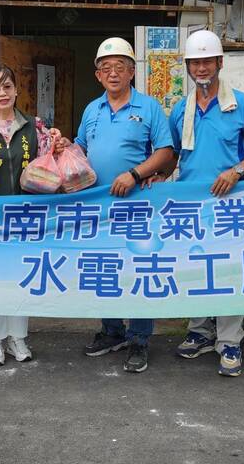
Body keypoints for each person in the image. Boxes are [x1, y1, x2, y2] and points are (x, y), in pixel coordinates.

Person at [168, 30, 244, 377]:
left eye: (206, 61)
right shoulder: (181, 109)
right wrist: (154, 180)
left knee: (229, 272)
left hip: (229, 206)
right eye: (194, 62)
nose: (201, 68)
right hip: (191, 208)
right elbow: (171, 156)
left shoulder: (239, 103)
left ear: (219, 63)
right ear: (188, 66)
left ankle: (229, 341)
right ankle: (199, 332)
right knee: (196, 268)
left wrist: (237, 171)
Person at [75, 37, 174, 373]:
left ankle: (139, 339)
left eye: (120, 67)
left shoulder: (149, 108)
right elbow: (80, 149)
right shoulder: (92, 110)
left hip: (139, 206)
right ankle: (112, 330)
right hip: (99, 209)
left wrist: (135, 173)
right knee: (106, 269)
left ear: (132, 71)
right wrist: (60, 149)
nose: (113, 73)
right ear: (98, 75)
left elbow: (165, 152)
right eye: (106, 68)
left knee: (139, 270)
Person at [0, 64, 65, 366]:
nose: (2, 93)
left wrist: (58, 145)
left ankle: (17, 338)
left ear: (17, 89)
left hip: (26, 215)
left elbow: (53, 163)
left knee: (21, 277)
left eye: (7, 86)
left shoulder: (34, 128)